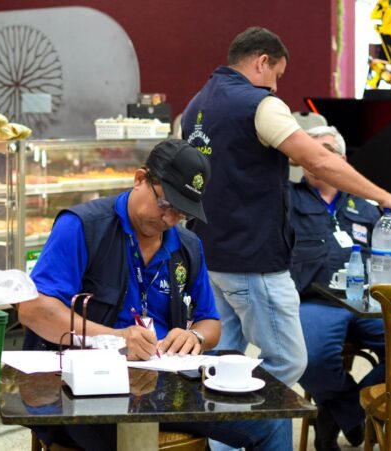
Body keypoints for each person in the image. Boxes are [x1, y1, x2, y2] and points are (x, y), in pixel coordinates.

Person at [19, 139, 291, 451]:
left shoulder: (187, 245)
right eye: (165, 205)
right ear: (140, 179)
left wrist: (196, 339)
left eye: (182, 212)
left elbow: (210, 323)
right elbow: (33, 310)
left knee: (272, 416)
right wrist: (114, 338)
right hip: (84, 383)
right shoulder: (83, 227)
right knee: (133, 438)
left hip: (164, 382)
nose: (169, 219)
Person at [181, 26, 391, 387]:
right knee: (288, 361)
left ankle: (227, 441)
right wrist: (386, 197)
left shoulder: (196, 106)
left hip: (208, 254)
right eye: (277, 76)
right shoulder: (259, 104)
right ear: (263, 61)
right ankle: (258, 432)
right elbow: (320, 162)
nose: (277, 88)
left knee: (221, 364)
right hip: (253, 260)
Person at [290, 125, 390, 451]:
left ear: (342, 159)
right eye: (310, 152)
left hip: (369, 303)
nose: (317, 160)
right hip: (315, 301)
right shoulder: (286, 200)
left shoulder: (366, 205)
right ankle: (352, 411)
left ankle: (337, 409)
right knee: (308, 356)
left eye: (326, 153)